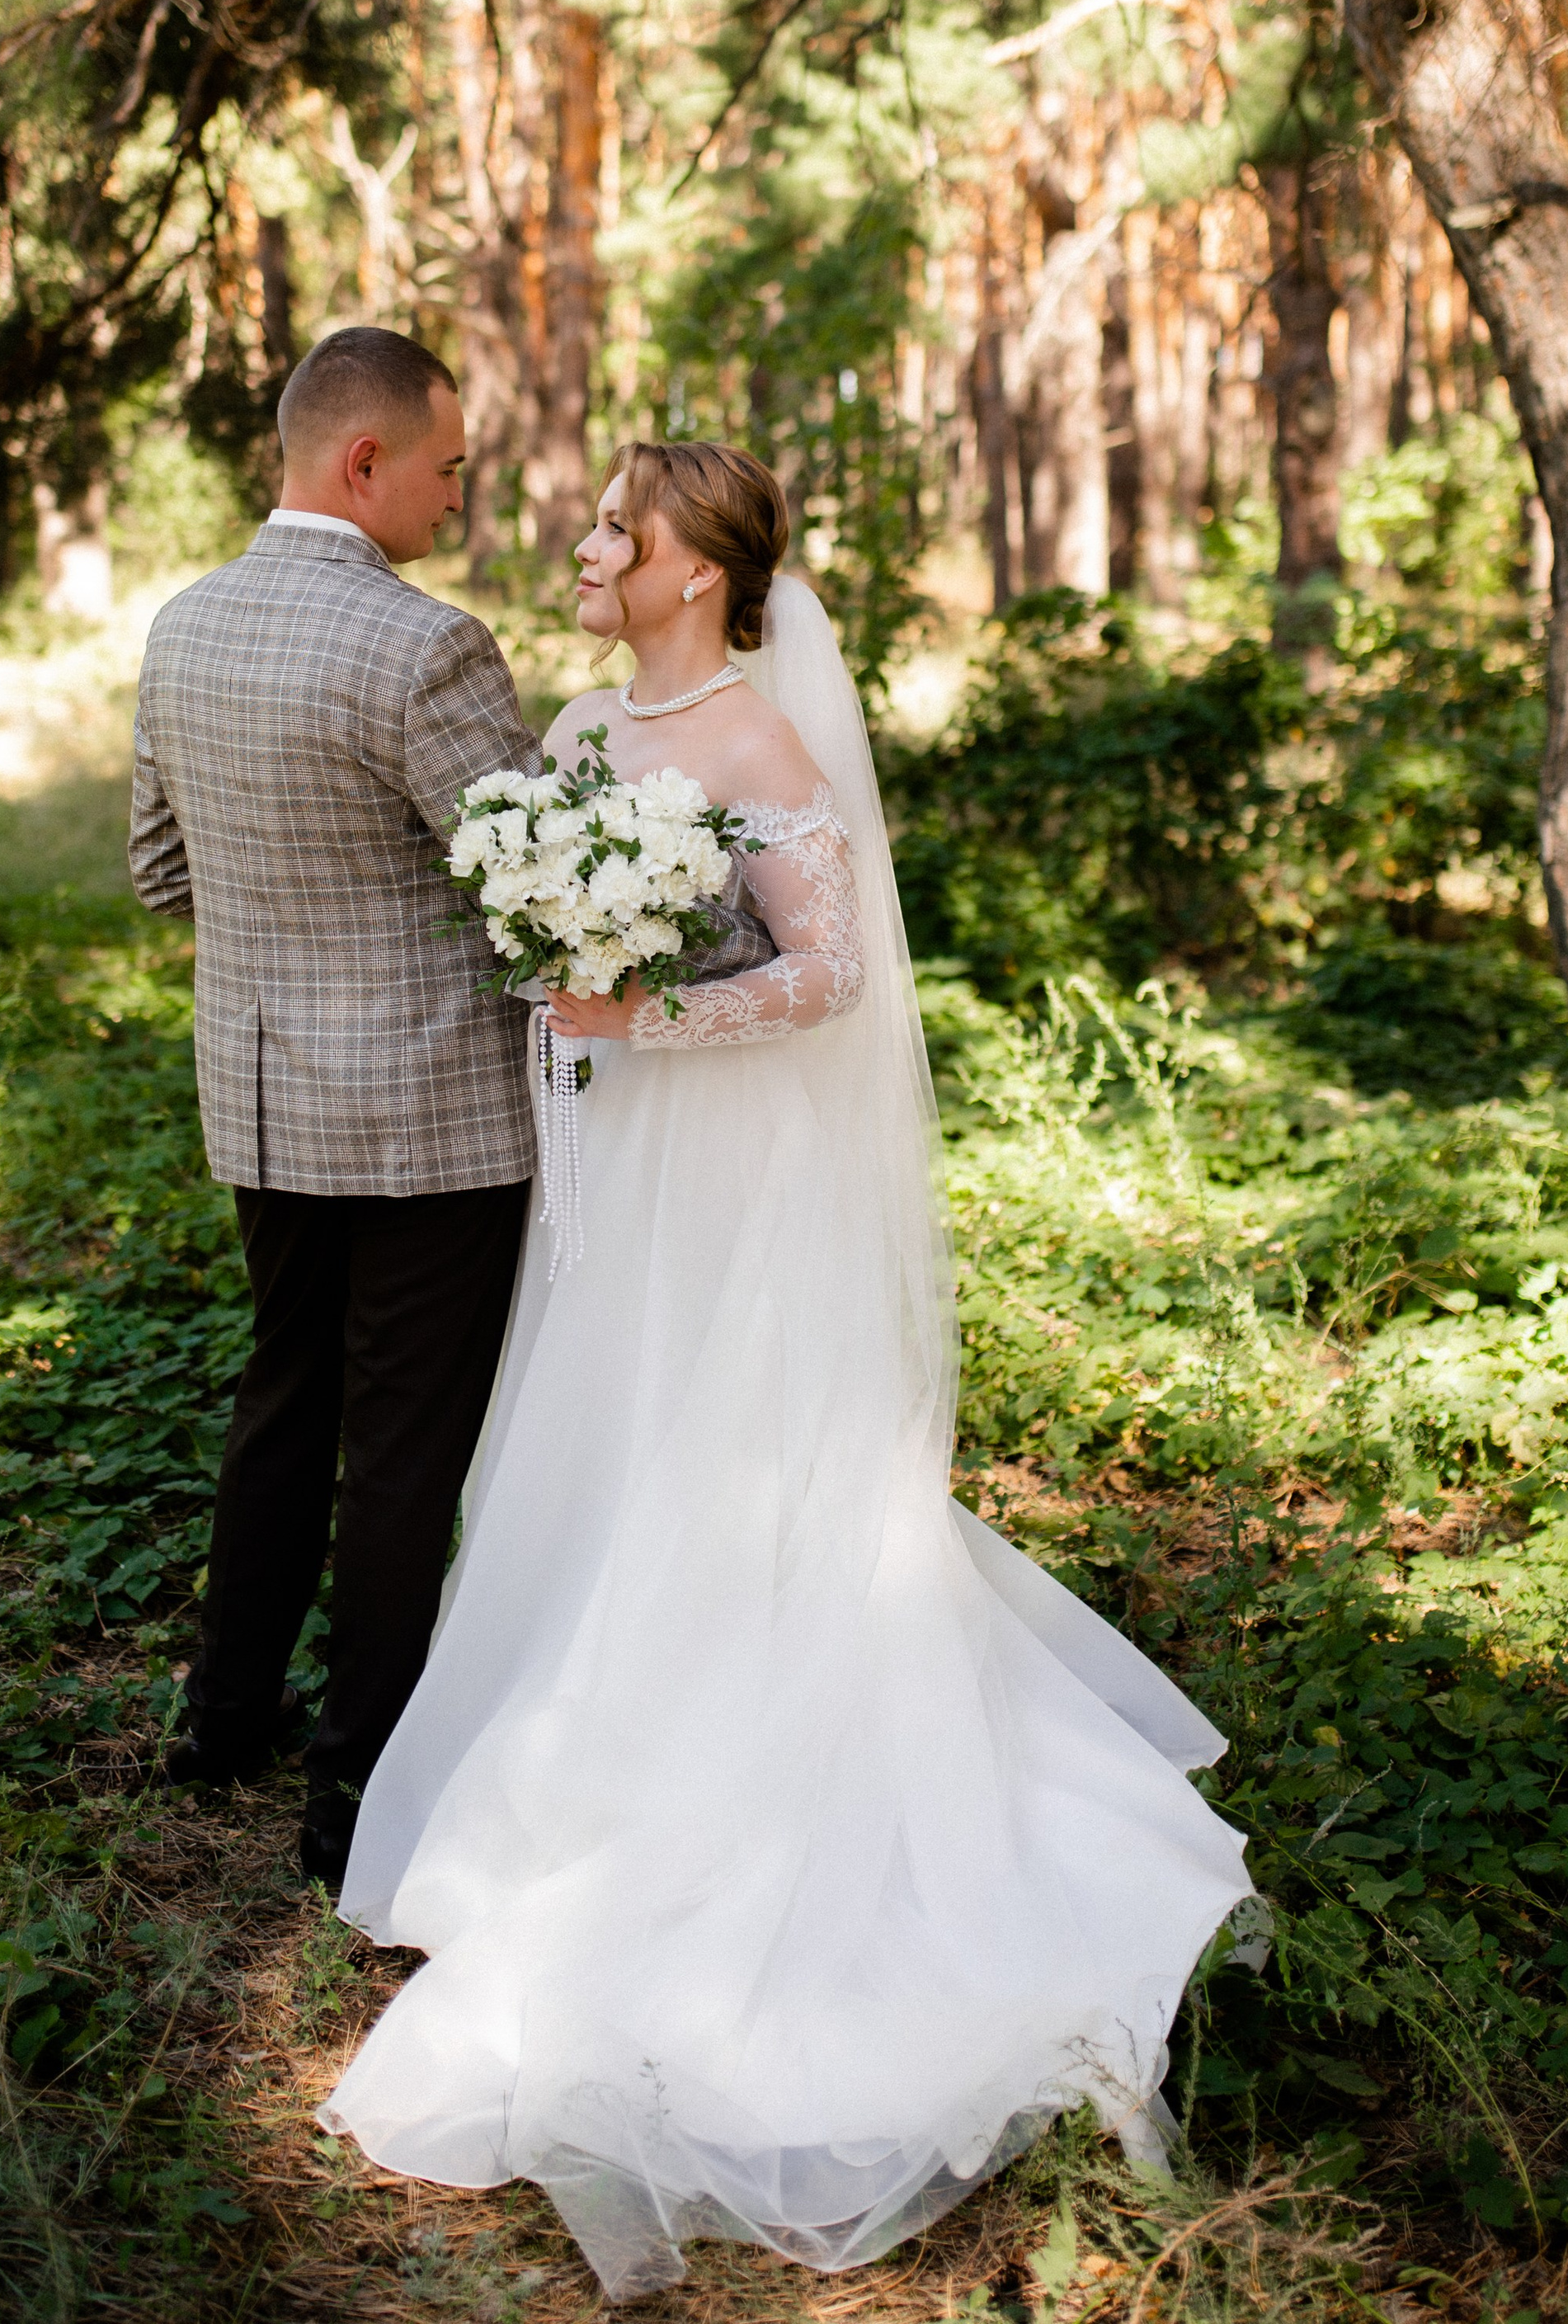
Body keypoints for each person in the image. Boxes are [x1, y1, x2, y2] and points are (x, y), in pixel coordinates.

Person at [317, 439, 1257, 2299]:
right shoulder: (584, 731)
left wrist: (642, 1007)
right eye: (588, 522)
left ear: (694, 569)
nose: (582, 548)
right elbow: (553, 938)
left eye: (614, 528)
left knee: (714, 1453)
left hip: (734, 1173)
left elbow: (828, 975)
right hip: (619, 1161)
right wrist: (562, 978)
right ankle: (559, 1768)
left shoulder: (754, 748)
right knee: (595, 1441)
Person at [126, 334, 770, 1887]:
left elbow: (160, 874)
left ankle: (222, 1715)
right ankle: (357, 1783)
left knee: (286, 1393)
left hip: (266, 1099)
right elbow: (540, 891)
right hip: (428, 1121)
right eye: (450, 466)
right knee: (408, 1439)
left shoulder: (183, 625)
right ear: (366, 464)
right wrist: (734, 928)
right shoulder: (425, 650)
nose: (462, 494)